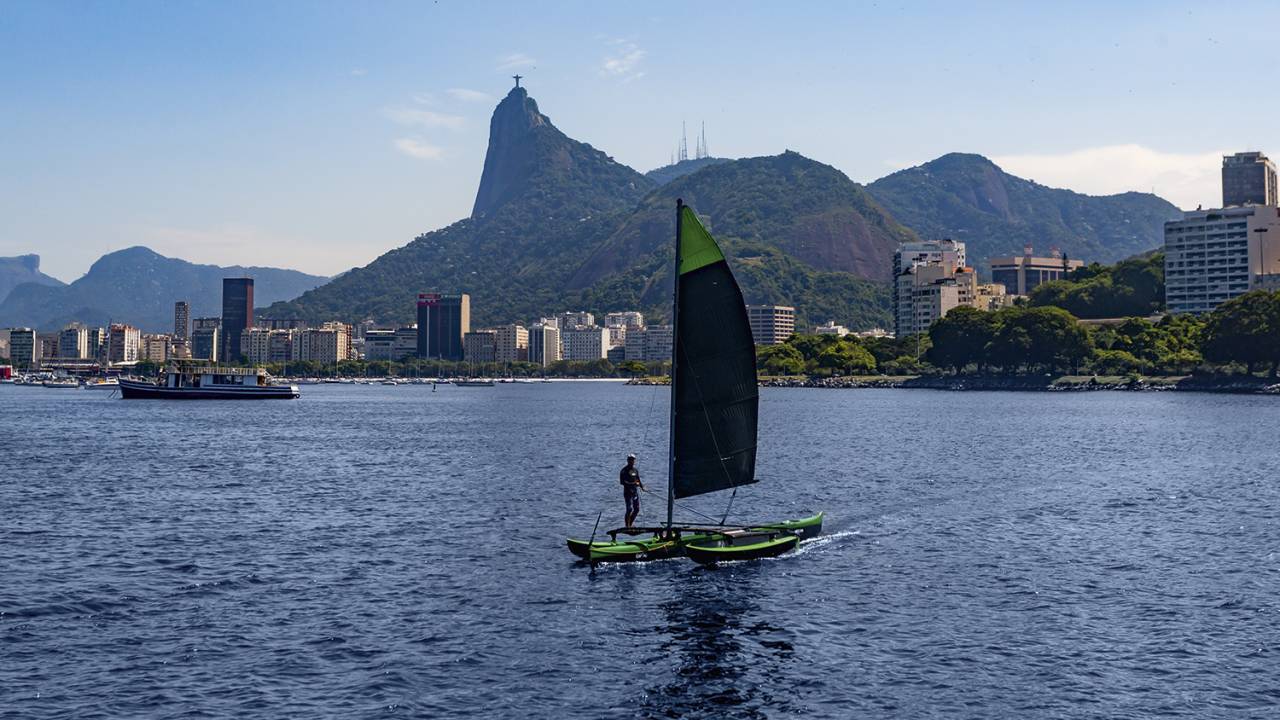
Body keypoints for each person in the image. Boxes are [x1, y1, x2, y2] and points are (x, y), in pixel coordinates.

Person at [619, 453, 645, 528]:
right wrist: (633, 483)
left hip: (635, 493)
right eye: (630, 459)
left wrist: (642, 486)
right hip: (627, 493)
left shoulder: (635, 470)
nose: (631, 461)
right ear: (627, 460)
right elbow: (623, 482)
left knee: (636, 509)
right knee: (629, 509)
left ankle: (630, 524)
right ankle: (627, 526)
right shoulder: (624, 471)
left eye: (633, 460)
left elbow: (638, 480)